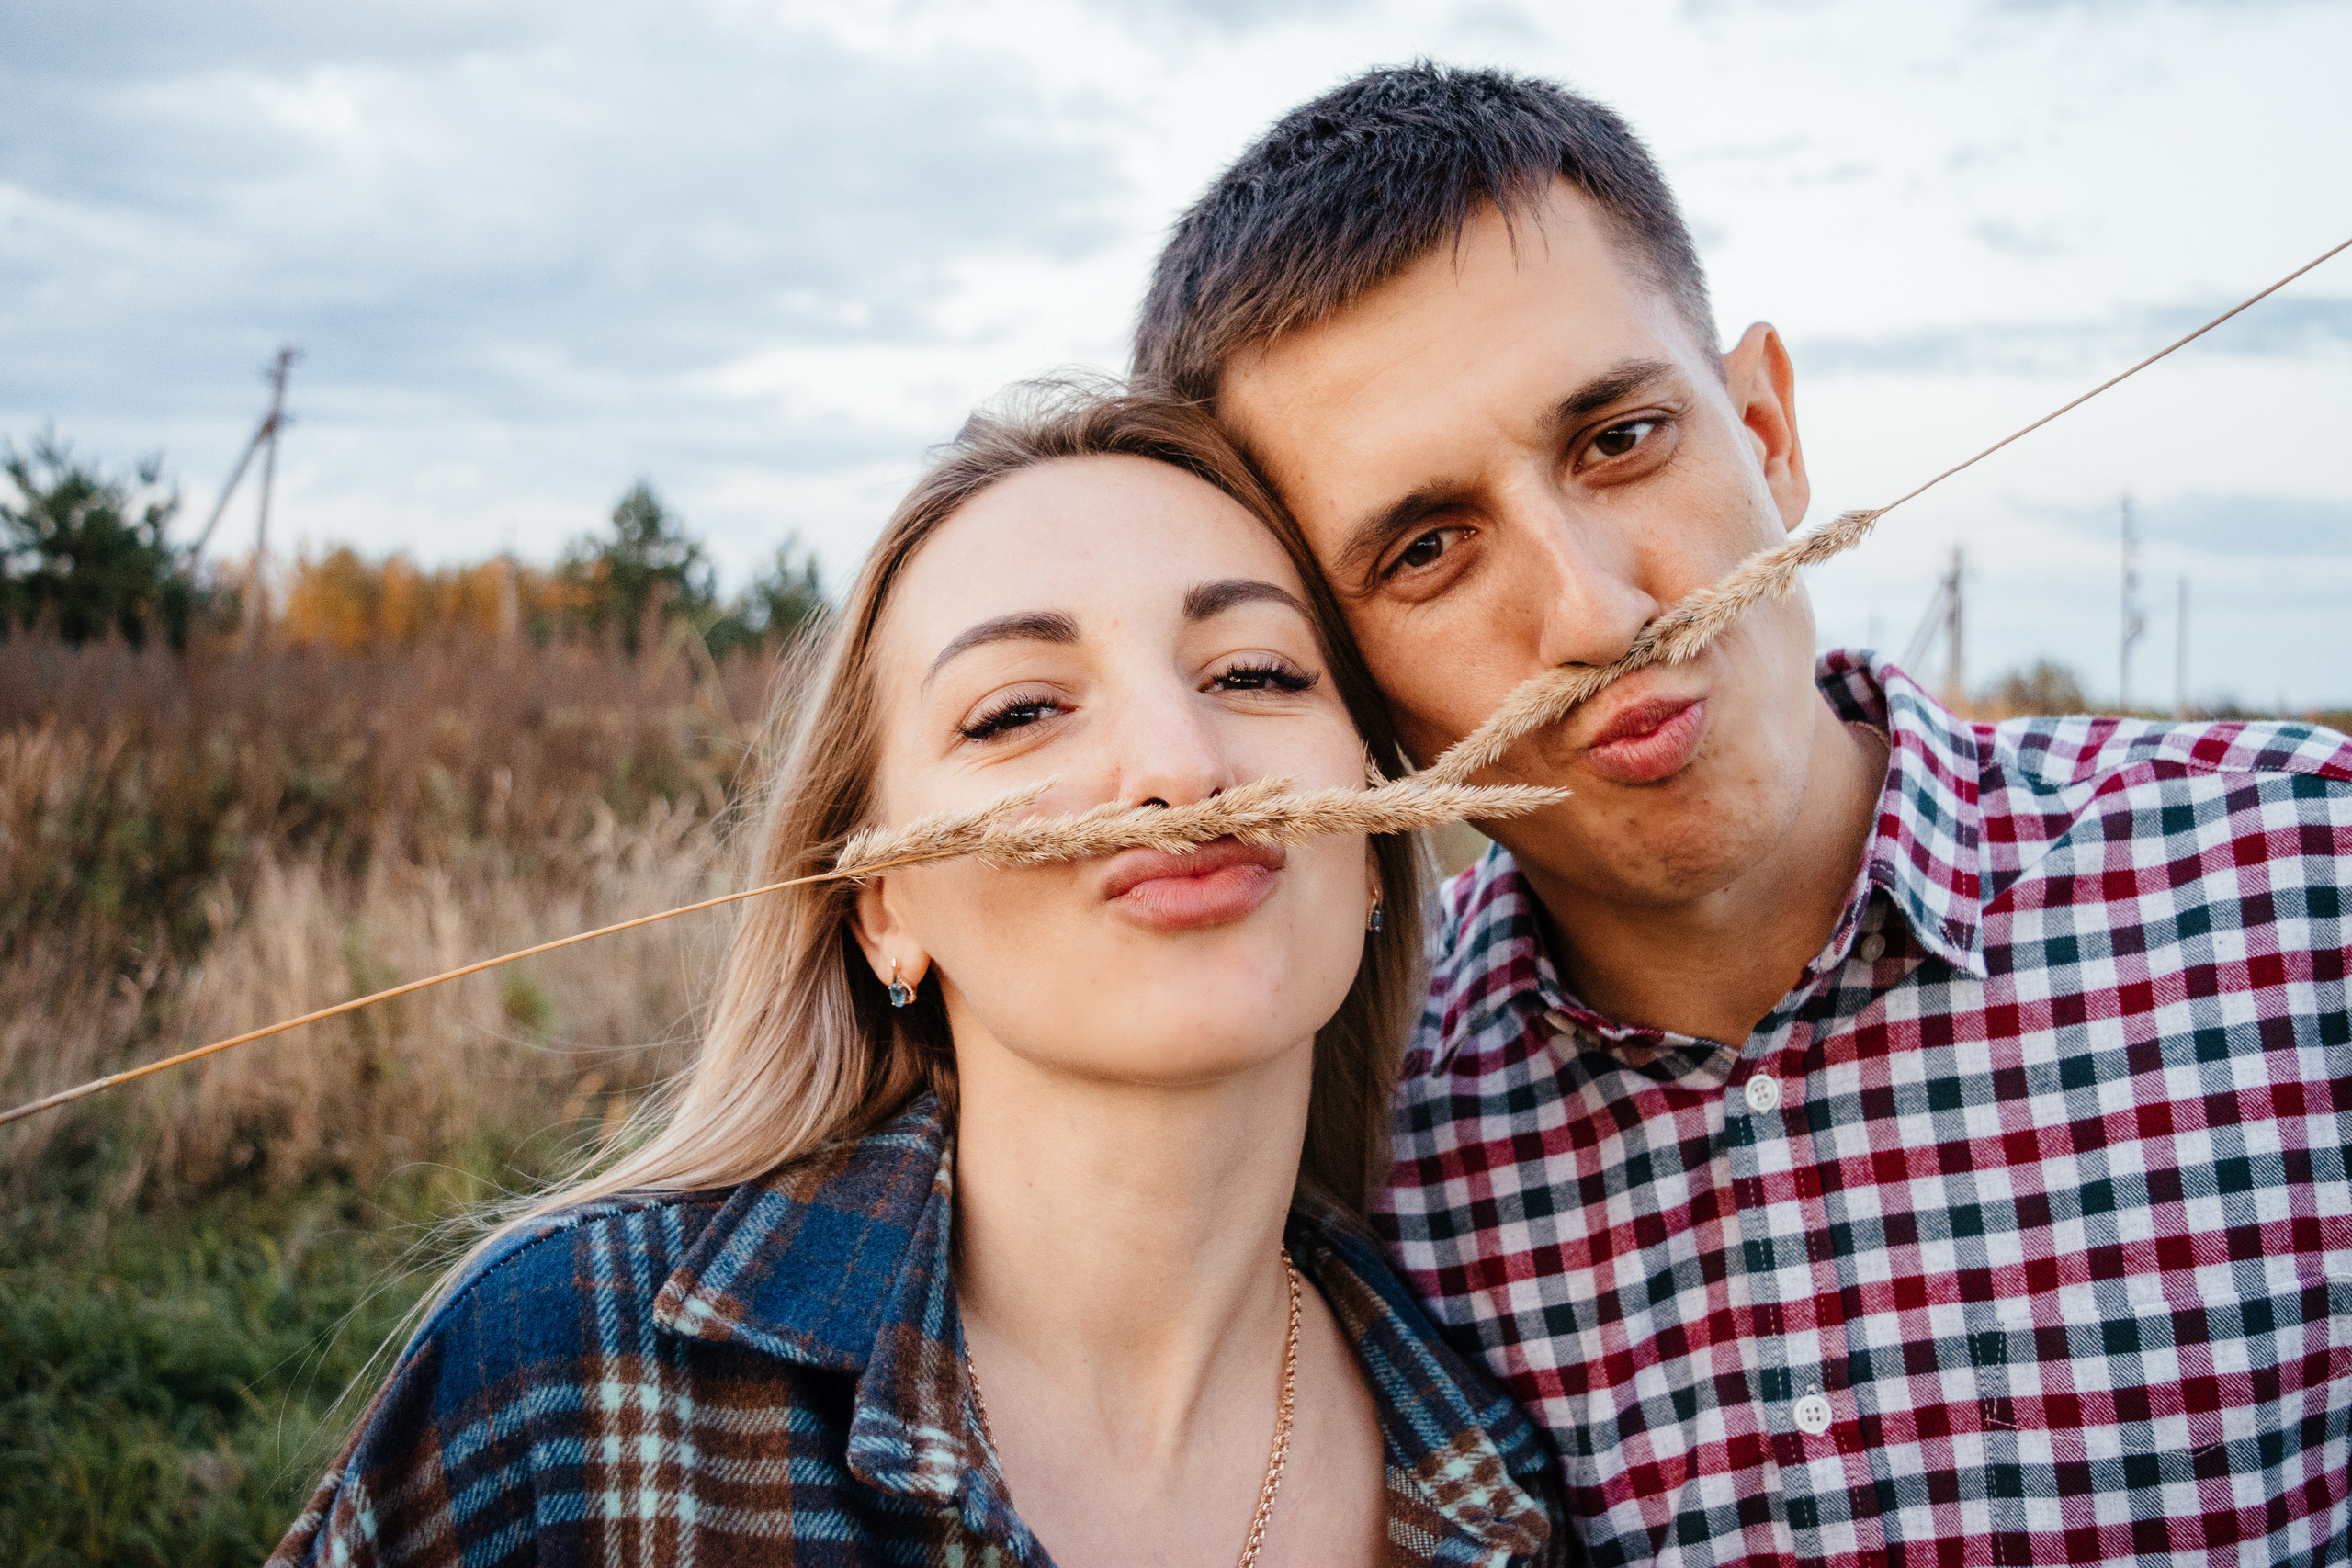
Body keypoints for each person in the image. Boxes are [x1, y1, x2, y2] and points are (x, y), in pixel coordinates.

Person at [1134, 62, 2352, 1567]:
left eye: (1621, 440)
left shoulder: (2307, 890)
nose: (1595, 612)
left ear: (1766, 427)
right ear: (1339, 675)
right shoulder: (1344, 1162)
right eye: (1432, 547)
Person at [267, 388, 1568, 1567]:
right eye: (1016, 710)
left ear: (1380, 849)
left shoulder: (1498, 1481)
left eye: (1254, 673)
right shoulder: (566, 1380)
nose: (1177, 763)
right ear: (883, 908)